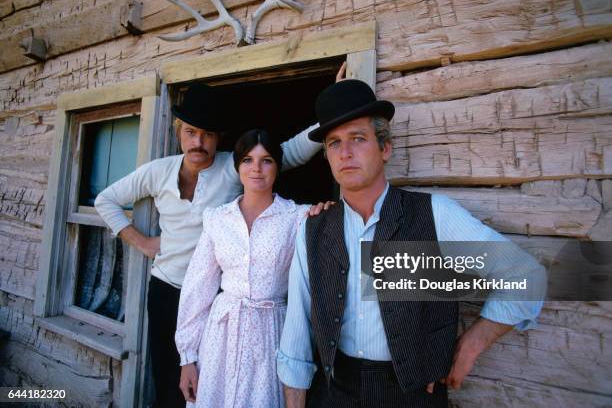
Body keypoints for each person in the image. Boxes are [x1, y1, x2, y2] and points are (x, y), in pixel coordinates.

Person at [277, 79, 546, 407]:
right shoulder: (313, 231)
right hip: (334, 392)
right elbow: (296, 335)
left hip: (413, 395)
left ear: (385, 147)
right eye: (334, 143)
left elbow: (526, 275)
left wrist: (472, 344)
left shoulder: (434, 215)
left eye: (358, 138)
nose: (345, 153)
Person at [94, 84, 322, 407]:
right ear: (178, 133)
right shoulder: (158, 172)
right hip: (167, 290)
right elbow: (106, 201)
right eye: (190, 132)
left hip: (216, 300)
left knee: (210, 386)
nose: (198, 142)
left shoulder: (235, 167)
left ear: (218, 138)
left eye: (207, 134)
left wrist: (327, 119)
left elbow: (289, 151)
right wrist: (143, 243)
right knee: (169, 382)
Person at [175, 129, 331, 407]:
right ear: (237, 166)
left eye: (266, 160)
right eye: (248, 160)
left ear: (277, 167)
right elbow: (197, 288)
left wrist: (329, 213)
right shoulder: (217, 219)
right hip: (221, 336)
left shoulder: (297, 217)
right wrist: (188, 358)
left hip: (271, 334)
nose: (256, 169)